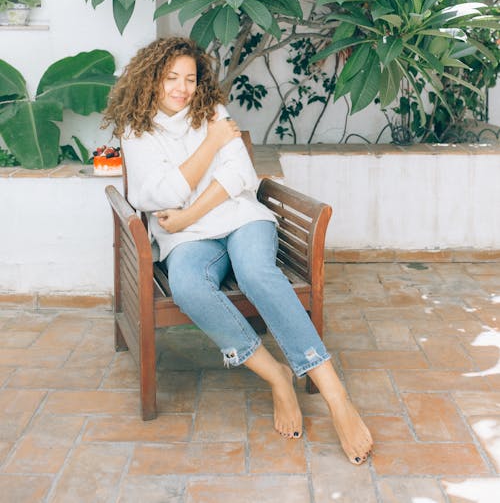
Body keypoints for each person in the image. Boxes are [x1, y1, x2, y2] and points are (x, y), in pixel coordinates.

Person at [103, 36, 373, 465]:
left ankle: (337, 398)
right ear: (151, 78)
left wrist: (189, 213)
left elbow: (241, 174)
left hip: (242, 220)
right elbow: (157, 194)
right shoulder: (138, 130)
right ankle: (278, 377)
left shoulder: (211, 111)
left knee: (257, 274)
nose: (182, 88)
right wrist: (211, 145)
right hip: (188, 242)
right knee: (190, 289)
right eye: (171, 77)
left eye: (190, 78)